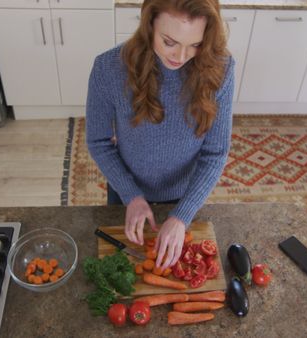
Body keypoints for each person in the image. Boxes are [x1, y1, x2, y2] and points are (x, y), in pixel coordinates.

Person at [85, 0, 234, 270]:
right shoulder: (108, 69)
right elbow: (98, 142)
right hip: (126, 191)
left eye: (195, 45)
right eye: (169, 41)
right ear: (149, 23)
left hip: (186, 194)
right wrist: (131, 194)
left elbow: (215, 153)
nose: (181, 55)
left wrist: (182, 216)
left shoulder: (221, 68)